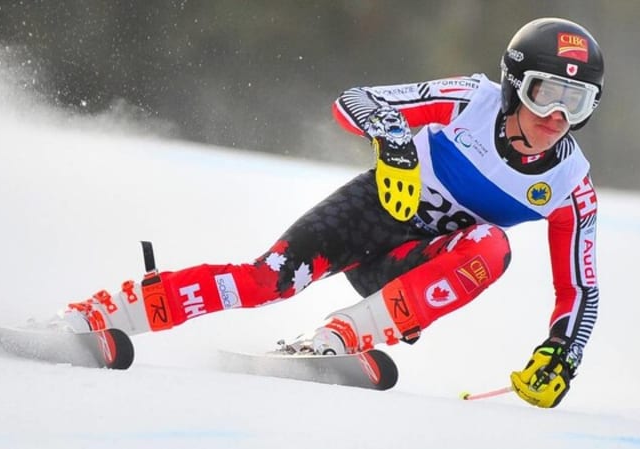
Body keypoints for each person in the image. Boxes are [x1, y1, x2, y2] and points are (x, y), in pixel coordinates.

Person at [58, 17, 603, 409]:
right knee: (267, 280)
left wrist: (563, 352)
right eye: (544, 94)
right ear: (513, 86)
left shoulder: (570, 183)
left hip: (410, 269)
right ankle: (106, 313)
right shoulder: (471, 100)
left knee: (491, 247)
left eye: (575, 102)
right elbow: (357, 100)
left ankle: (337, 340)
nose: (556, 117)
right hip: (373, 212)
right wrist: (393, 140)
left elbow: (580, 288)